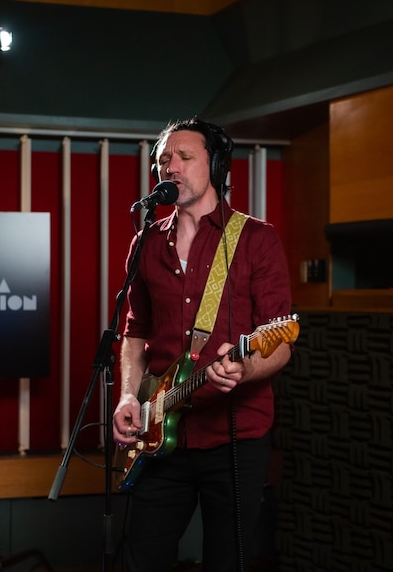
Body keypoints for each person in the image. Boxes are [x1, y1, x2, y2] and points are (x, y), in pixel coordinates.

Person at [112, 117, 293, 572]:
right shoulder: (146, 243)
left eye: (184, 157)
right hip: (159, 437)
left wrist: (243, 370)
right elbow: (135, 332)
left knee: (227, 562)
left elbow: (282, 338)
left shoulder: (255, 238)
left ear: (214, 164)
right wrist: (129, 396)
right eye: (162, 160)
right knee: (139, 559)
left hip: (235, 436)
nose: (169, 167)